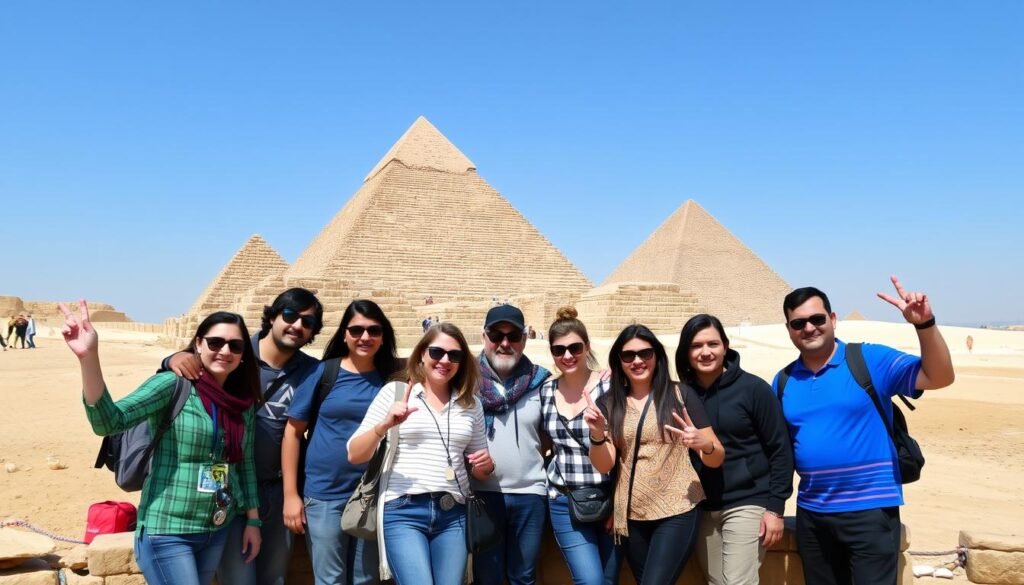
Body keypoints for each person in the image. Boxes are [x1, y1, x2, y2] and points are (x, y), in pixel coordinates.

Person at [61, 301, 262, 585]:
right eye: (215, 342)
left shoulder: (242, 403)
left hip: (216, 528)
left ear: (243, 355)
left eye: (235, 346)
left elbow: (245, 464)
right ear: (198, 343)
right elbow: (109, 422)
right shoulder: (173, 385)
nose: (225, 351)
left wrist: (253, 520)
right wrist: (88, 356)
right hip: (168, 529)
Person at [774, 277, 955, 585]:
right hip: (813, 513)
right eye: (798, 323)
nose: (808, 328)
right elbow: (777, 450)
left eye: (817, 319)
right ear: (789, 329)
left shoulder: (869, 359)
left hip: (870, 511)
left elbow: (939, 377)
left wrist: (924, 325)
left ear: (833, 320)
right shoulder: (784, 381)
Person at [164, 288, 324, 585]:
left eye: (308, 322)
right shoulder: (233, 351)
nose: (297, 325)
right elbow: (186, 369)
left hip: (278, 492)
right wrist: (171, 359)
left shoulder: (312, 372)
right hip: (228, 487)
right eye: (289, 315)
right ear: (272, 316)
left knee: (273, 578)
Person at [348, 322, 494, 585]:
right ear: (422, 353)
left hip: (454, 513)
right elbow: (354, 454)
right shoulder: (395, 394)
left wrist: (486, 465)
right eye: (437, 352)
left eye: (455, 355)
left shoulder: (471, 404)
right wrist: (384, 426)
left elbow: (479, 470)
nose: (445, 360)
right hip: (403, 510)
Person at [583, 324, 725, 585]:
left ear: (657, 356)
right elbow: (606, 463)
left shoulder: (681, 395)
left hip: (678, 508)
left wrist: (702, 443)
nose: (637, 361)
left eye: (645, 353)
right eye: (628, 355)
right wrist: (596, 434)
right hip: (632, 515)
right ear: (619, 361)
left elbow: (716, 457)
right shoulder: (609, 402)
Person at [282, 299, 402, 585]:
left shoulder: (394, 379)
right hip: (325, 492)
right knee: (329, 579)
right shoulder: (323, 373)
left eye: (374, 330)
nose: (365, 337)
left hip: (372, 494)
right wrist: (291, 495)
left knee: (367, 578)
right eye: (357, 330)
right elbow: (292, 433)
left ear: (384, 335)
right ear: (344, 333)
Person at [676, 314, 793, 585]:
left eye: (713, 344)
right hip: (703, 505)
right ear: (686, 351)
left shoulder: (753, 390)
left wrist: (775, 509)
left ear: (725, 346)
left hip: (747, 501)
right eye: (696, 346)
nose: (705, 352)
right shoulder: (680, 395)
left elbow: (780, 449)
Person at [540, 307, 622, 585]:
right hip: (564, 500)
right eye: (558, 349)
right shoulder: (545, 392)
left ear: (587, 346)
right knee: (591, 582)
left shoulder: (610, 386)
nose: (567, 355)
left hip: (607, 497)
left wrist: (619, 504)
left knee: (608, 581)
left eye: (575, 347)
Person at [472, 304, 551, 585]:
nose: (504, 343)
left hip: (530, 494)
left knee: (523, 577)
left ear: (524, 339)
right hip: (482, 495)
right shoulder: (464, 380)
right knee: (487, 578)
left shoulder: (542, 383)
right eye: (496, 335)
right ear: (484, 337)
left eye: (513, 335)